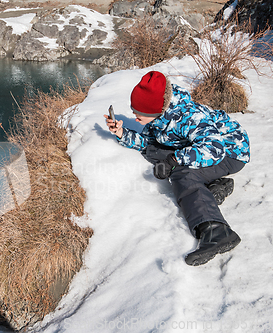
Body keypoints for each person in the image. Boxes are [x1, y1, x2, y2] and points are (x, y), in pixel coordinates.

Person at [105, 71, 250, 266]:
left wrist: (174, 159)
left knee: (183, 173)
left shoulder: (188, 117)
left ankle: (216, 231)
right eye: (134, 110)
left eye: (139, 112)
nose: (134, 115)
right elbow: (148, 143)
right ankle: (213, 186)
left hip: (231, 151)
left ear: (154, 110)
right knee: (153, 151)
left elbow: (213, 149)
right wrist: (121, 132)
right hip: (207, 149)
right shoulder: (158, 117)